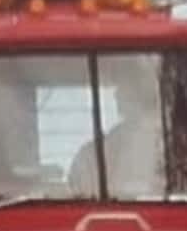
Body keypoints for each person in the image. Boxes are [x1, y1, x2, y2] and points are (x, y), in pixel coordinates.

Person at [70, 63, 167, 198]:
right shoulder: (93, 152)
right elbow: (79, 191)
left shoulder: (173, 144)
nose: (116, 94)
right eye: (119, 86)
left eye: (126, 86)